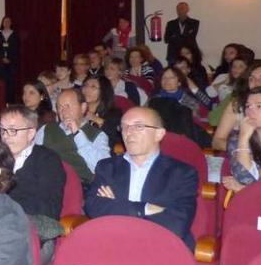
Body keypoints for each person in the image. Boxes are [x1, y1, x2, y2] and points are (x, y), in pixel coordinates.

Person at [85, 107, 198, 250]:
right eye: (124, 127)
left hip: (160, 248)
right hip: (112, 243)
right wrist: (145, 208)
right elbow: (93, 207)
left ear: (159, 134)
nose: (128, 133)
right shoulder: (107, 167)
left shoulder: (182, 173)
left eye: (138, 126)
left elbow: (177, 223)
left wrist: (118, 205)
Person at [0, 106, 66, 220]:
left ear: (30, 133)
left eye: (12, 130)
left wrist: (0, 208)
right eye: (2, 130)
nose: (5, 136)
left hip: (28, 226)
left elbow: (48, 208)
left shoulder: (47, 161)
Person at [35, 88, 110, 185]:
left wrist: (78, 135)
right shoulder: (47, 129)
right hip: (47, 184)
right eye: (60, 107)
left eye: (68, 106)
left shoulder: (97, 135)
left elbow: (104, 169)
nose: (63, 111)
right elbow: (33, 158)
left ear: (83, 108)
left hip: (80, 188)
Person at [82, 75, 123, 148]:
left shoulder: (114, 114)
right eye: (85, 85)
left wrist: (96, 119)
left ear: (103, 92)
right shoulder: (76, 110)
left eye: (93, 87)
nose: (87, 89)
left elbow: (116, 137)